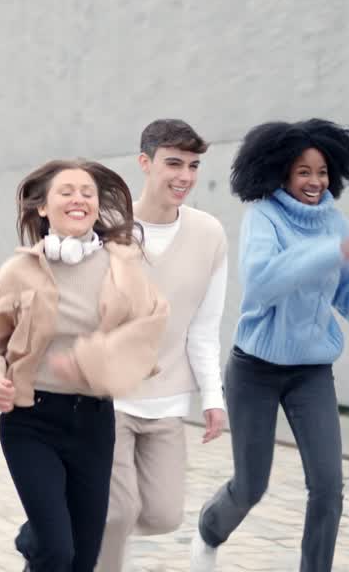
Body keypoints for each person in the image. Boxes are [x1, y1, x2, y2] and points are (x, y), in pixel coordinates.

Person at [191, 118, 349, 572]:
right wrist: (330, 251)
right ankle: (209, 530)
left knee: (328, 485)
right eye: (304, 171)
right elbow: (262, 282)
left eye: (322, 172)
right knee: (251, 486)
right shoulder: (263, 216)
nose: (315, 181)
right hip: (254, 371)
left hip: (311, 371)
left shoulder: (334, 220)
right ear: (281, 172)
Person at [0, 159, 167, 572]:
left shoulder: (122, 266)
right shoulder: (19, 270)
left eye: (87, 192)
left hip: (94, 422)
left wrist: (92, 361)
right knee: (56, 553)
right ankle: (42, 537)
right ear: (43, 207)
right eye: (66, 191)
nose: (78, 199)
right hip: (31, 422)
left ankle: (38, 534)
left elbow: (149, 328)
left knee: (82, 560)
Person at [97, 120, 229, 572]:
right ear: (145, 163)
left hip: (168, 398)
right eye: (173, 163)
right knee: (117, 512)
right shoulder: (110, 229)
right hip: (108, 396)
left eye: (193, 166)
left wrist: (213, 397)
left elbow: (205, 327)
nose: (185, 176)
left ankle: (68, 525)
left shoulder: (209, 233)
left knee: (163, 514)